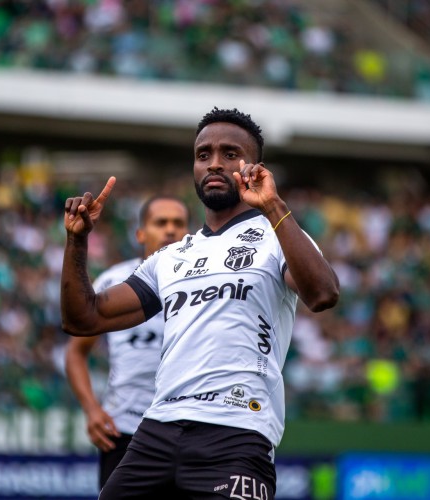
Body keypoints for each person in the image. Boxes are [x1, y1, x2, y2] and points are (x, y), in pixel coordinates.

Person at [61, 107, 339, 498]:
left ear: (254, 166)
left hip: (237, 432)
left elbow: (323, 294)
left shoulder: (277, 235)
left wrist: (274, 206)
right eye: (203, 154)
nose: (214, 164)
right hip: (157, 429)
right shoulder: (172, 257)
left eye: (229, 154)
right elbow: (84, 319)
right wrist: (76, 240)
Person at [64, 194, 190, 488]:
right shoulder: (114, 280)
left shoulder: (207, 280)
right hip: (124, 428)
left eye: (178, 223)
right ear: (141, 233)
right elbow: (75, 352)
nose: (170, 230)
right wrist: (92, 409)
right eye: (161, 223)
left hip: (188, 426)